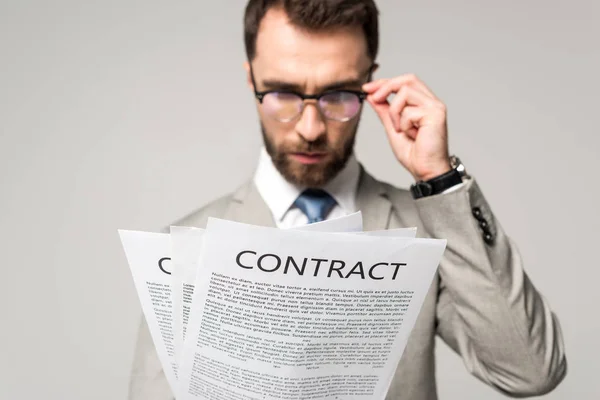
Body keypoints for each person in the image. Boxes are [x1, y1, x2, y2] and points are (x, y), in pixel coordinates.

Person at [128, 1, 567, 399]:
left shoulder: (425, 233)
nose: (311, 128)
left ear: (369, 84)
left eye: (339, 95)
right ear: (251, 80)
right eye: (283, 93)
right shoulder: (184, 249)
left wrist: (440, 179)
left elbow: (531, 372)